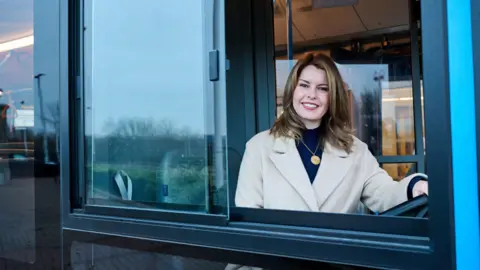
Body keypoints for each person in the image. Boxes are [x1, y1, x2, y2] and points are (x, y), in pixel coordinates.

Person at [235, 53, 428, 213]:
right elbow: (248, 219)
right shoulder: (259, 147)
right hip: (276, 259)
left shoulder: (356, 151)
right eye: (304, 85)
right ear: (292, 91)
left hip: (335, 259)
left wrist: (413, 187)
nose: (312, 94)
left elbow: (384, 193)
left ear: (332, 97)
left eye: (322, 89)